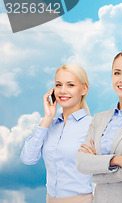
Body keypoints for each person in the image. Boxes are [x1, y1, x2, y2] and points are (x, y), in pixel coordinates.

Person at [75, 49, 122, 202]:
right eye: (117, 73)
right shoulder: (99, 119)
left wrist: (95, 171)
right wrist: (117, 160)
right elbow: (81, 162)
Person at [20, 64, 93, 203]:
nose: (63, 91)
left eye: (70, 85)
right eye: (58, 85)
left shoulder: (93, 125)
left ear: (84, 89)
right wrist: (47, 118)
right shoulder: (49, 126)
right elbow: (27, 159)